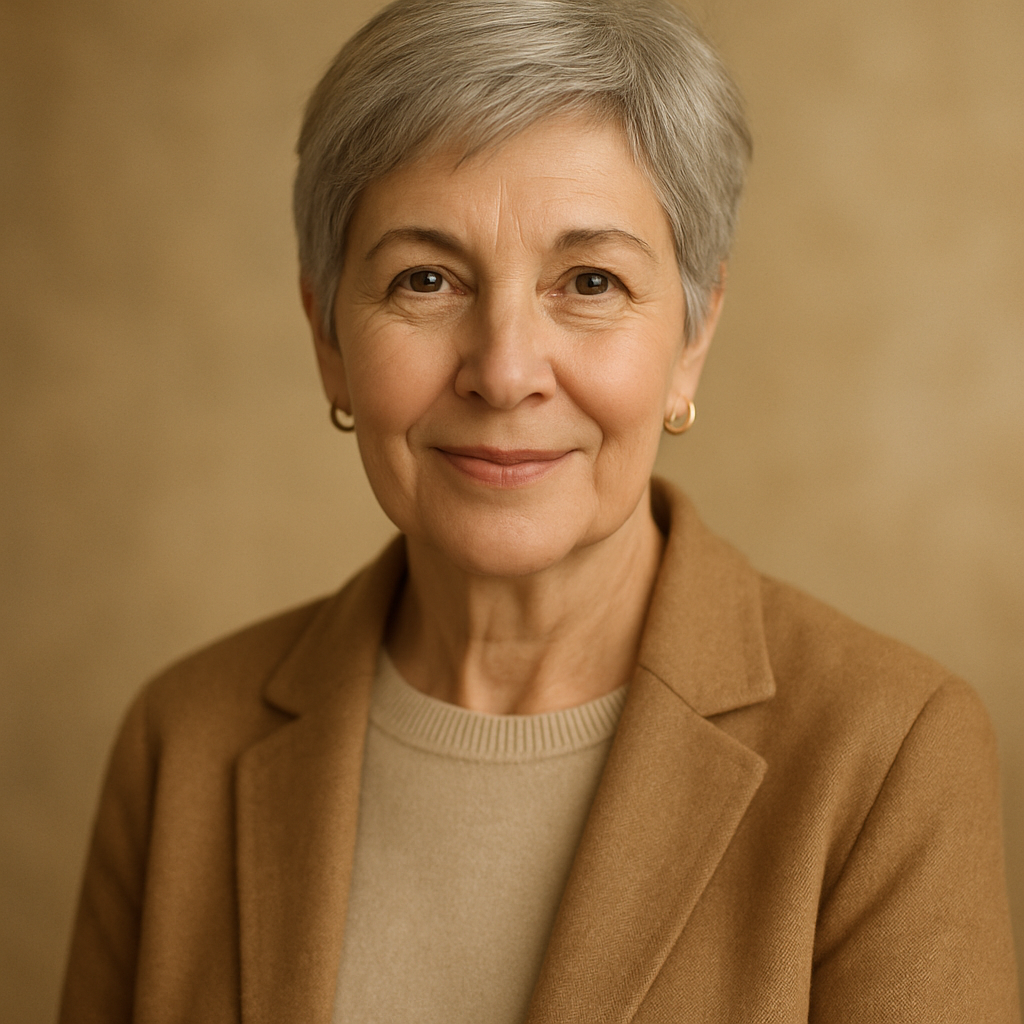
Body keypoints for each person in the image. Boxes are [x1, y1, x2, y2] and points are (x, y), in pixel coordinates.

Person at [59, 0, 1020, 1021]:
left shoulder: (884, 753)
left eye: (590, 281)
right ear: (328, 335)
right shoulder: (182, 743)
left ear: (690, 339)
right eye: (424, 279)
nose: (505, 370)